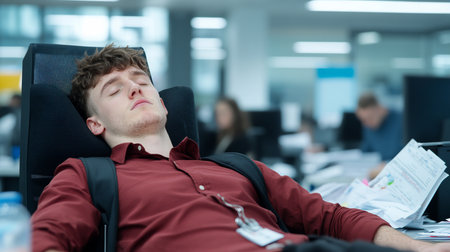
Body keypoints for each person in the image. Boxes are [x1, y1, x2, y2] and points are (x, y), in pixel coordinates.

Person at [31, 45, 450, 252]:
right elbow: (50, 238)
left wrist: (424, 249)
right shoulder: (87, 173)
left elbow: (329, 216)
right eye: (114, 89)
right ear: (94, 123)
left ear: (161, 101)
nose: (135, 87)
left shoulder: (236, 167)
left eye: (141, 80)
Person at [355, 93, 403, 179]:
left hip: (398, 173)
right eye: (362, 120)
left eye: (369, 118)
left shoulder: (402, 121)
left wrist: (387, 165)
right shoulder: (368, 127)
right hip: (377, 176)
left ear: (380, 109)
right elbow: (366, 155)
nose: (365, 123)